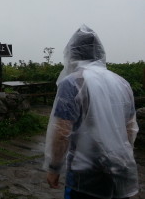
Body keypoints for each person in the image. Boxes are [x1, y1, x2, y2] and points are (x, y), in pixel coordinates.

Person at [44, 25, 139, 199]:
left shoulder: (73, 83)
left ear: (72, 53)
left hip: (86, 174)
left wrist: (54, 168)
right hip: (120, 168)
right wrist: (121, 156)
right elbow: (130, 129)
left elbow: (62, 132)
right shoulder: (122, 83)